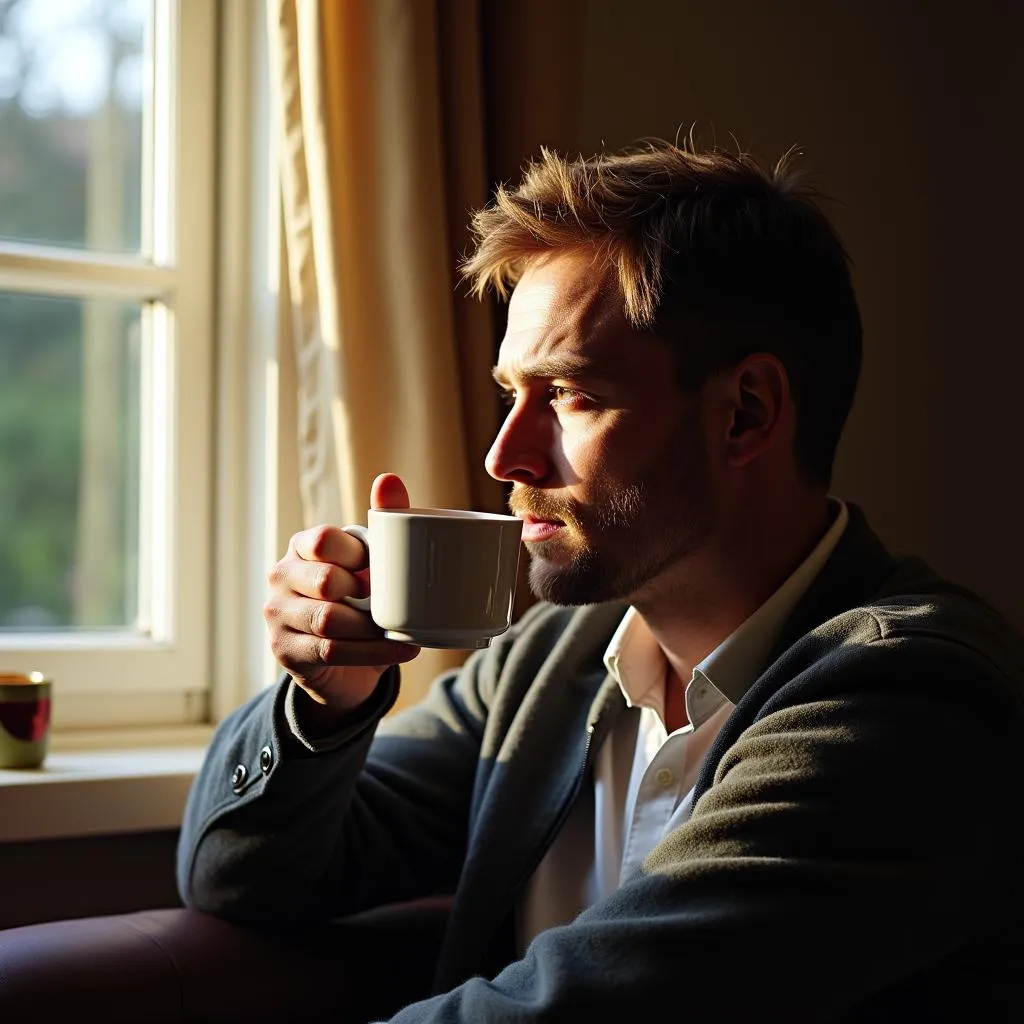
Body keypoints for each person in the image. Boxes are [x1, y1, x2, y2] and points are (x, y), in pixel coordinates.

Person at [177, 138, 1024, 1021]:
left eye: (571, 395)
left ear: (747, 414)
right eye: (512, 393)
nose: (504, 453)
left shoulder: (911, 697)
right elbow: (238, 881)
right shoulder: (551, 661)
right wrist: (325, 703)